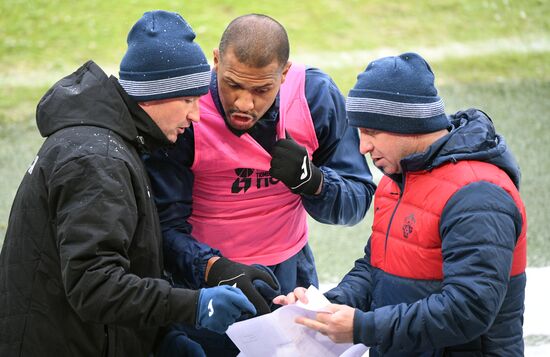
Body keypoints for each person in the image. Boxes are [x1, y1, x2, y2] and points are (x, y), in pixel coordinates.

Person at [0, 10, 259, 357]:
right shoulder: (99, 160)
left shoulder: (112, 141)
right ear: (153, 94)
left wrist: (159, 337)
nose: (195, 114)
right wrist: (194, 306)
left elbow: (125, 261)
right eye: (188, 99)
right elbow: (94, 285)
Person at [144, 13, 376, 356]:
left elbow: (356, 201)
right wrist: (210, 268)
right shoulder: (188, 109)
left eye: (261, 89)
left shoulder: (314, 98)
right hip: (206, 281)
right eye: (233, 84)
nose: (243, 103)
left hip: (289, 276)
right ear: (216, 61)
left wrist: (313, 182)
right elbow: (161, 224)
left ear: (284, 73)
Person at [275, 52, 527, 356]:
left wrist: (362, 328)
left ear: (407, 123)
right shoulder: (397, 181)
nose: (363, 147)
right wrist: (327, 305)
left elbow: (468, 309)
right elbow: (375, 271)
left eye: (371, 132)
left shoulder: (479, 195)